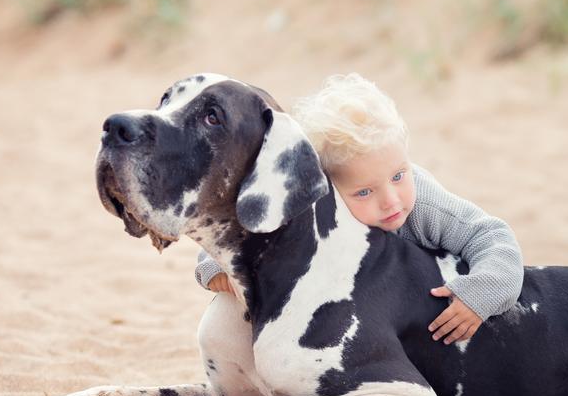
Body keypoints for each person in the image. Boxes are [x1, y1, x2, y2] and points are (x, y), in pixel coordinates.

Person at [194, 73, 524, 345]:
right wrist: (214, 268)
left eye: (398, 175)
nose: (392, 200)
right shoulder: (317, 207)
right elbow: (245, 235)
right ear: (328, 191)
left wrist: (480, 293)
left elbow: (492, 237)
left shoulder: (423, 204)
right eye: (364, 192)